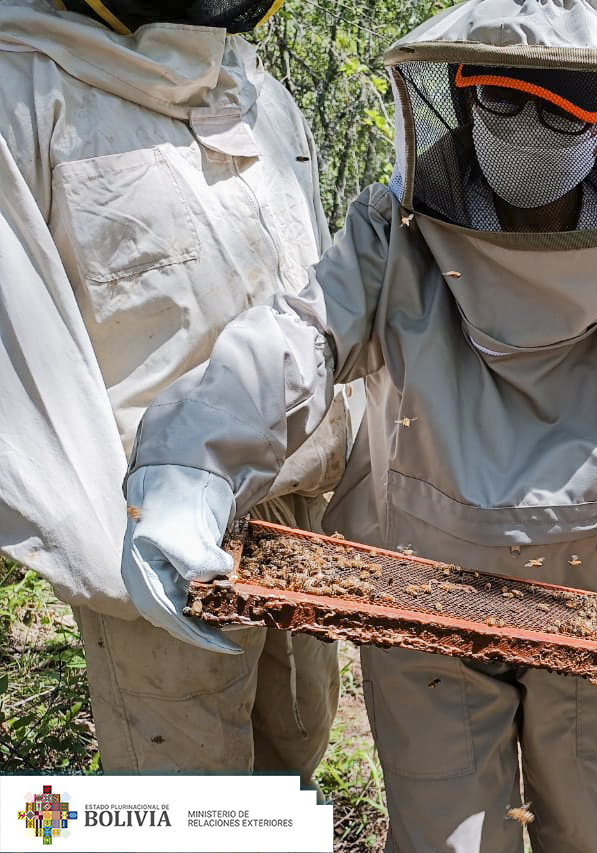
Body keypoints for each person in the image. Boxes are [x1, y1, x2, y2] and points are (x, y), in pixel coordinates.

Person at [119, 0, 597, 851]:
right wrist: (191, 464)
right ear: (461, 89)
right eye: (499, 98)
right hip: (419, 590)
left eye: (558, 105)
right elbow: (301, 338)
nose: (521, 126)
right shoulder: (393, 228)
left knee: (587, 836)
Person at [0, 0, 350, 780]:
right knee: (191, 805)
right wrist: (107, 548)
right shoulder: (21, 87)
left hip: (298, 518)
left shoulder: (258, 92)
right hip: (148, 536)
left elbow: (318, 293)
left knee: (295, 752)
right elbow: (18, 352)